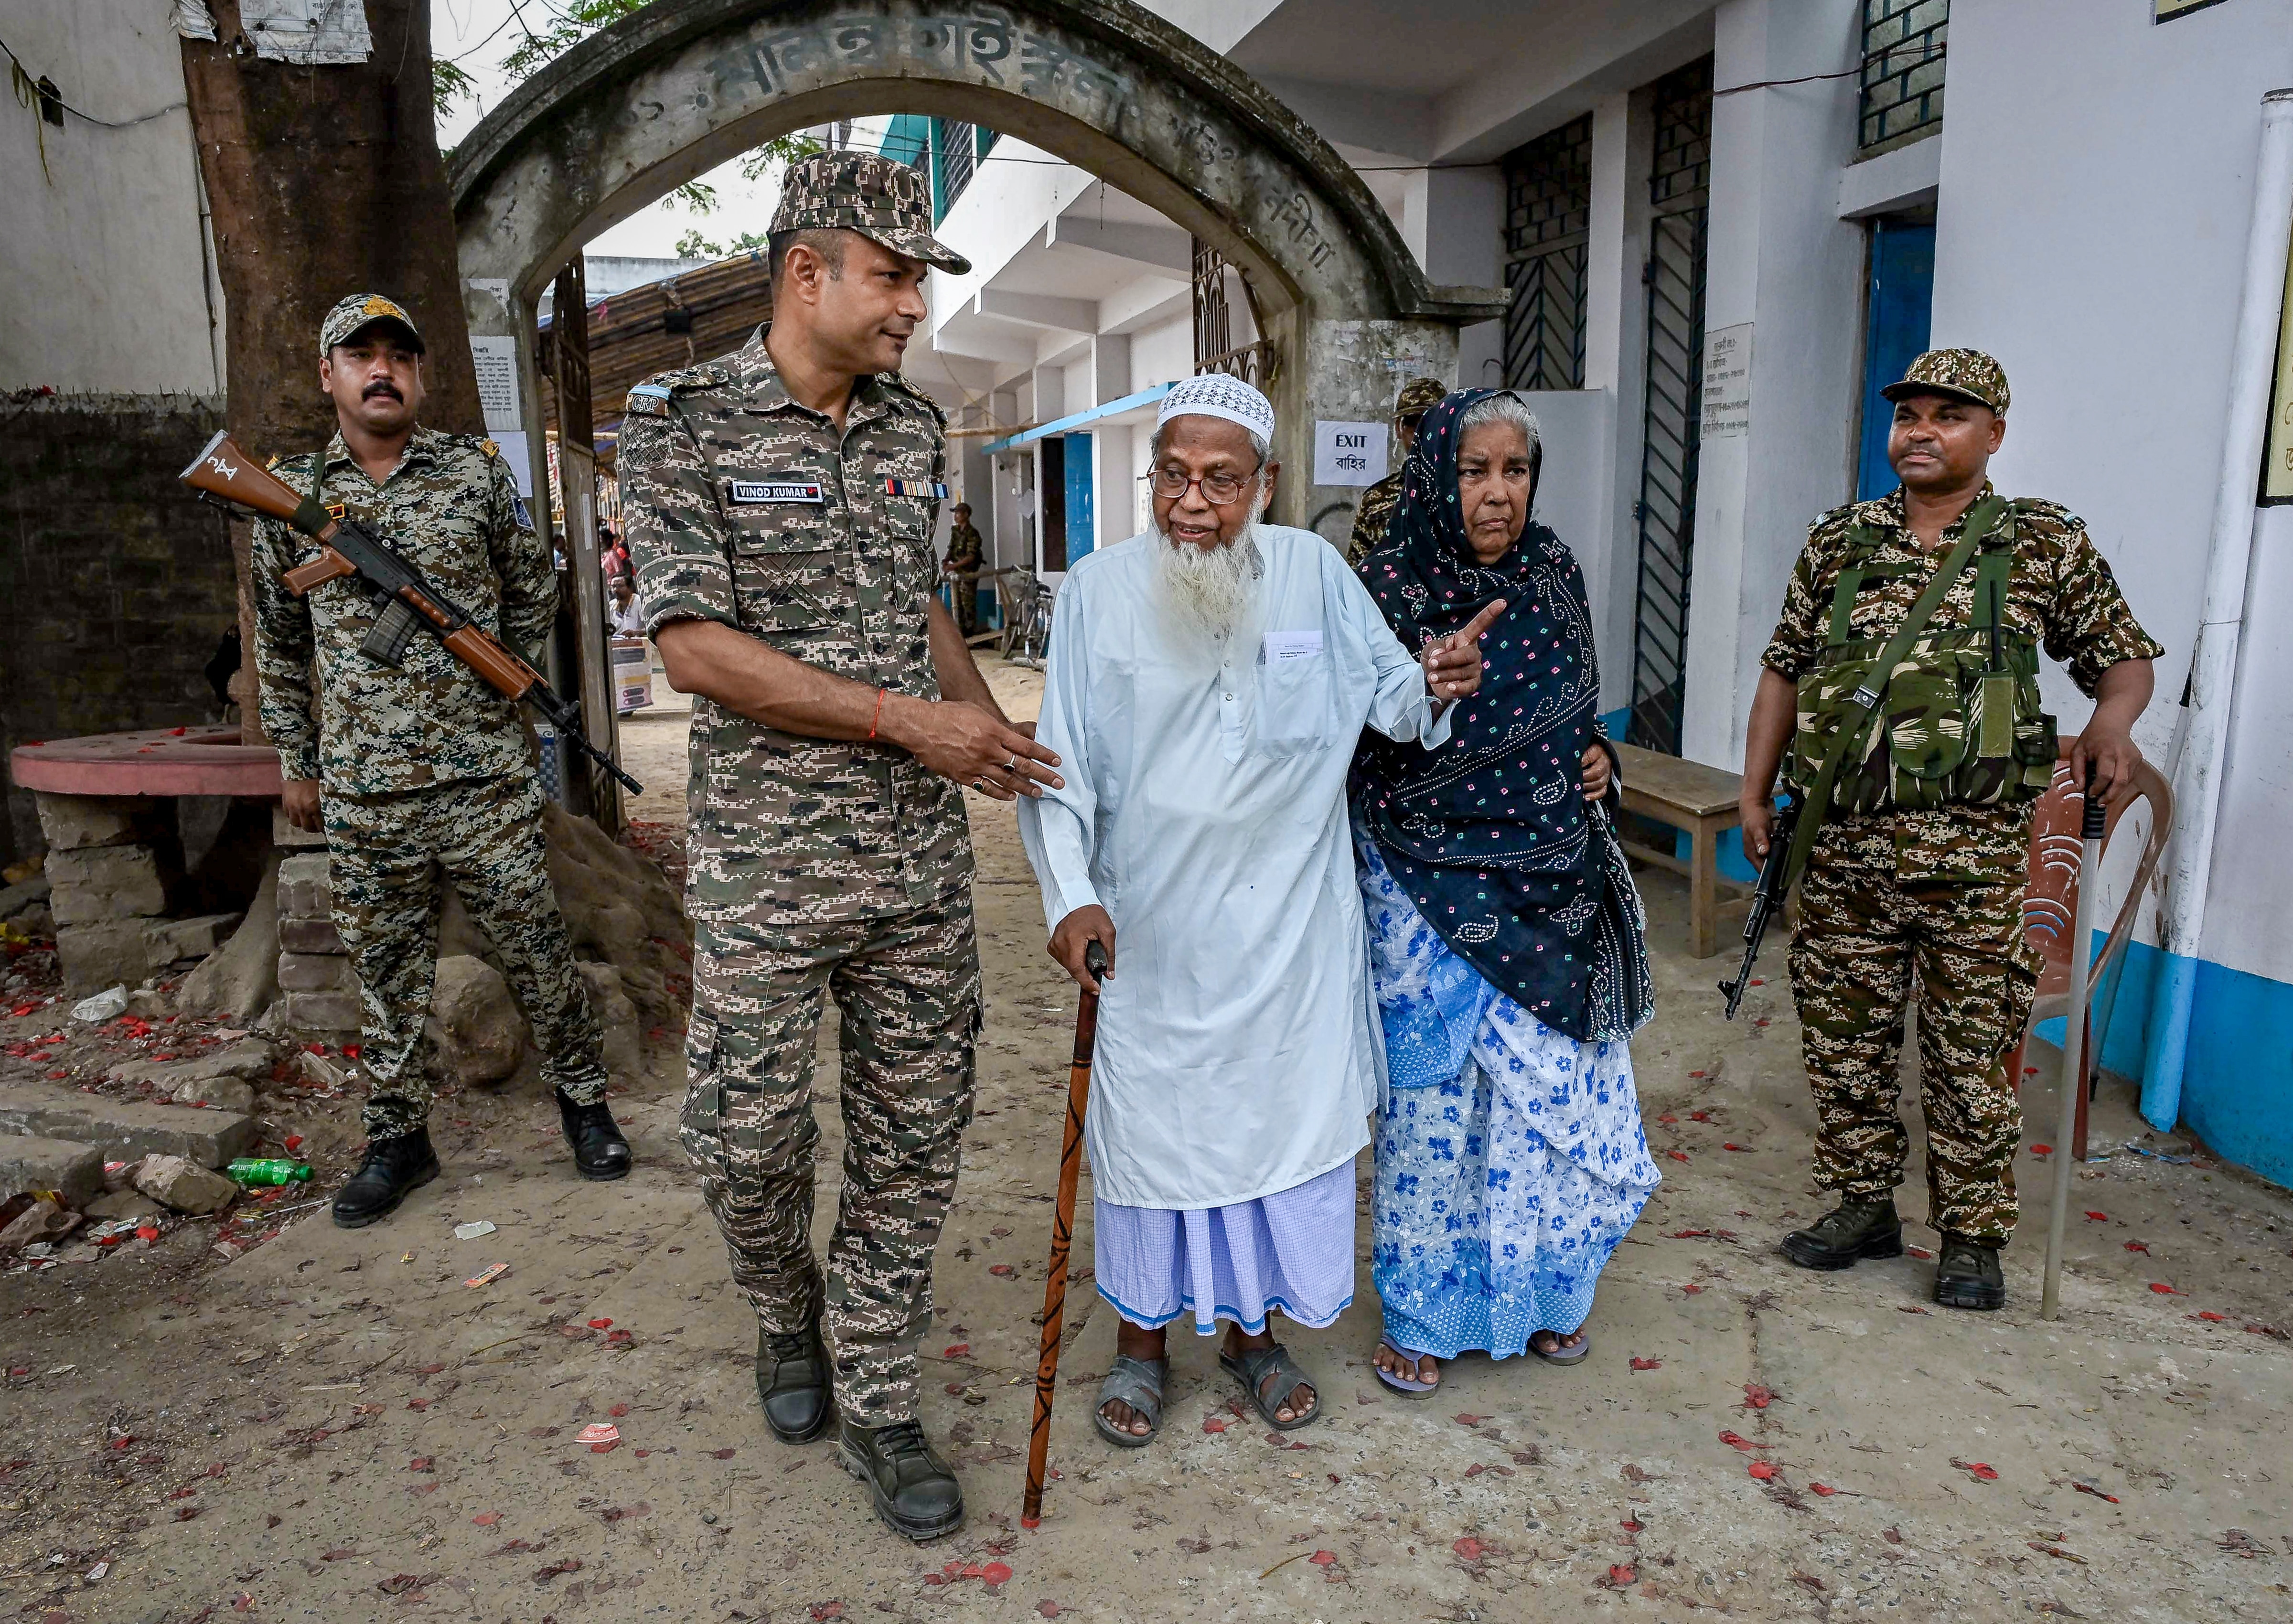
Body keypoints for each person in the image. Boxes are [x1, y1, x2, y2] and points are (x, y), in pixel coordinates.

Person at [617, 152, 1057, 1542]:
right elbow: (690, 646)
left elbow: (918, 603)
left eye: (921, 277)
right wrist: (902, 722)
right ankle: (781, 1313)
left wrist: (992, 739)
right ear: (806, 270)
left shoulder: (914, 432)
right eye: (893, 274)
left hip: (914, 870)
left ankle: (873, 1381)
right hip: (766, 866)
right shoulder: (679, 419)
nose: (914, 304)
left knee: (913, 1138)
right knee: (743, 1137)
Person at [1017, 372, 1498, 1449]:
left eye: (1221, 481)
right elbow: (1060, 766)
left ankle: (1253, 1337)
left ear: (1265, 485)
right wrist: (1072, 893)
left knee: (1278, 1134)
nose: (1194, 502)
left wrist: (1443, 677)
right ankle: (1142, 1346)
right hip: (1152, 930)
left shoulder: (1316, 574)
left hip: (1290, 932)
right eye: (1174, 477)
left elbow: (1396, 698)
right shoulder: (1096, 591)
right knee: (1153, 1141)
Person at [1738, 349, 2161, 1311]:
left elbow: (2122, 656)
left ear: (1993, 435)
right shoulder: (1841, 540)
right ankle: (1863, 1202)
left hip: (1973, 865)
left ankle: (1972, 1235)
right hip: (1844, 853)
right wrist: (1757, 792)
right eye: (1910, 415)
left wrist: (2110, 721)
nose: (1921, 431)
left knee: (1973, 1054)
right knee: (1844, 1043)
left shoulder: (2042, 541)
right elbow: (1784, 670)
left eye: (1950, 416)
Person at [250, 293, 631, 1229]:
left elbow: (530, 587)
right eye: (361, 355)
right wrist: (299, 759)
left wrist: (488, 673)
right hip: (365, 789)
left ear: (420, 374)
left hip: (486, 782)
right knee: (385, 972)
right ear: (328, 374)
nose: (383, 369)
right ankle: (397, 1138)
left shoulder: (469, 472)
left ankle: (585, 1106)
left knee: (539, 950)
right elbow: (279, 637)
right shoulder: (293, 491)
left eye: (400, 355)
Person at [1351, 389, 1661, 1395]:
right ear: (1439, 474)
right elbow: (1349, 733)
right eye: (1475, 471)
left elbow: (1575, 702)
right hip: (1426, 881)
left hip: (1548, 876)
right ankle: (1424, 1310)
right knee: (1434, 1112)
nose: (1497, 493)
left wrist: (1600, 759)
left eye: (1514, 471)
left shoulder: (1555, 569)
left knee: (1543, 1111)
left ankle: (1543, 1296)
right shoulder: (1388, 582)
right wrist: (1429, 689)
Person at [1345, 375, 1447, 566]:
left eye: (1432, 423)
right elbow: (1356, 572)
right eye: (1413, 423)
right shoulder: (1377, 498)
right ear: (1399, 429)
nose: (1422, 434)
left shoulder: (1464, 490)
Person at [943, 501, 985, 634]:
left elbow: (971, 557)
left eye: (958, 513)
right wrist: (946, 561)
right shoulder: (955, 531)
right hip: (957, 573)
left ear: (966, 515)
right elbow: (952, 548)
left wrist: (953, 566)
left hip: (968, 573)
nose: (956, 516)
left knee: (968, 603)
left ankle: (969, 632)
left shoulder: (973, 534)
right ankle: (959, 631)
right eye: (955, 513)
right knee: (957, 603)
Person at [609, 574, 643, 638]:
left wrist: (636, 633)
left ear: (630, 588)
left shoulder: (640, 602)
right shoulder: (611, 606)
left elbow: (651, 628)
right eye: (613, 587)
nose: (616, 590)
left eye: (620, 586)